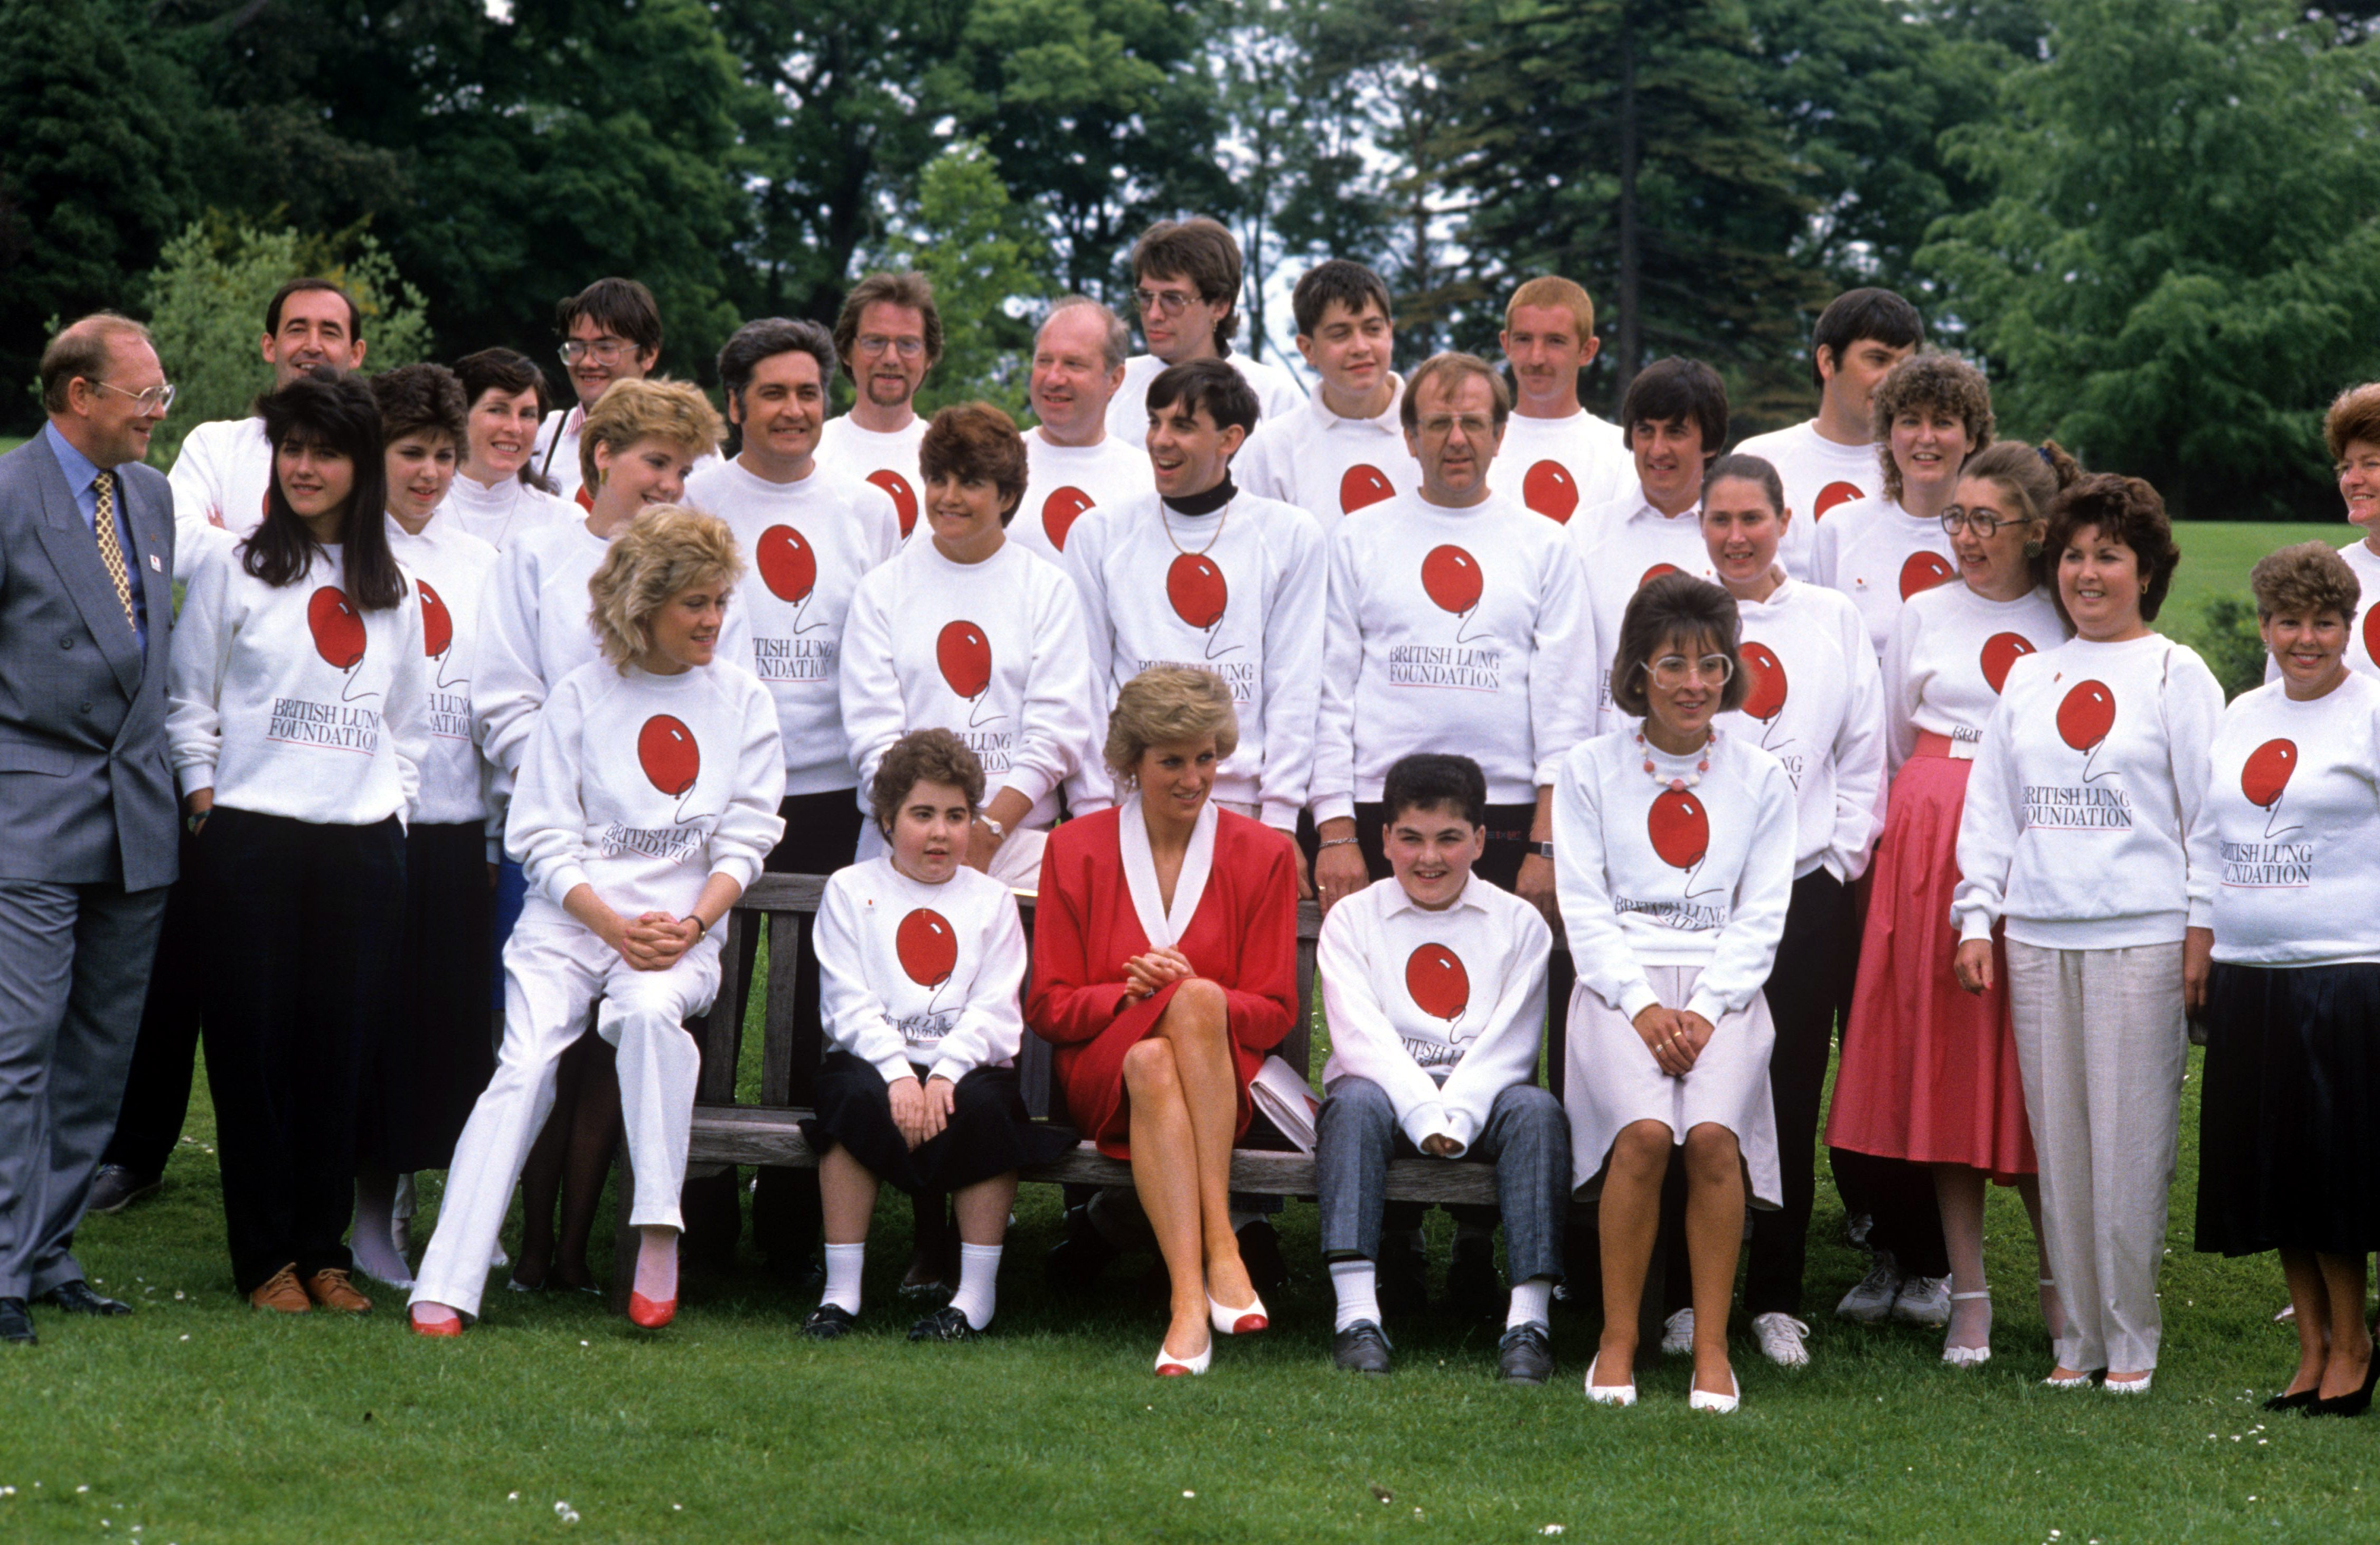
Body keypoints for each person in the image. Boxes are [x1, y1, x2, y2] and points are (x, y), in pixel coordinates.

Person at [410, 506, 784, 1334]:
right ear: (642, 607)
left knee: (650, 1017)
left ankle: (657, 1228)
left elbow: (748, 835)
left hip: (679, 929)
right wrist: (611, 925)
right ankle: (450, 1271)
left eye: (720, 601)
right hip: (570, 924)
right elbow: (538, 834)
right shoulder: (580, 696)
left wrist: (687, 927)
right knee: (527, 1062)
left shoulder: (742, 699)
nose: (713, 620)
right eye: (694, 603)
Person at [1952, 473, 2222, 1394]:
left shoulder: (2175, 673)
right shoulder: (2031, 673)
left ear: (2146, 571)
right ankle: (2076, 1345)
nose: (2087, 572)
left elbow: (2211, 819)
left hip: (2140, 936)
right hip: (2035, 932)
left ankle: (2131, 1343)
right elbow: (1992, 808)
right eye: (2072, 554)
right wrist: (1974, 913)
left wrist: (2200, 929)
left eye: (2108, 554)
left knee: (2130, 1143)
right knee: (2061, 1146)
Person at [169, 368, 429, 1312]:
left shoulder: (394, 588)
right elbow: (189, 701)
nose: (305, 467)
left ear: (360, 465)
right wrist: (205, 801)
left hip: (361, 851)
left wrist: (388, 810)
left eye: (325, 451)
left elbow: (410, 725)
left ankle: (326, 1255)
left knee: (341, 1050)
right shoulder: (235, 569)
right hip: (248, 842)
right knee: (252, 1051)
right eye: (292, 449)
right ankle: (265, 1260)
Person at [476, 377, 738, 1293]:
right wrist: (571, 779)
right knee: (543, 1042)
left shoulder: (694, 570)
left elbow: (710, 713)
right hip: (559, 843)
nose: (670, 482)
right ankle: (522, 1237)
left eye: (684, 466)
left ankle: (579, 1244)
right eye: (655, 462)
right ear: (601, 456)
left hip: (655, 852)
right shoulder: (537, 552)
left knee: (612, 1050)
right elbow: (503, 692)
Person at [1828, 441, 2075, 1362]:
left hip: (2036, 845)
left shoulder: (2063, 617)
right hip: (1929, 846)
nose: (1968, 538)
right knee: (1944, 1065)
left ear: (2035, 530)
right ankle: (1965, 1292)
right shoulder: (1923, 611)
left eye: (1987, 521)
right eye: (1957, 519)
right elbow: (1896, 739)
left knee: (2031, 1069)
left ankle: (2061, 1285)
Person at [685, 316, 902, 1286]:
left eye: (808, 392)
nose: (793, 410)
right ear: (736, 403)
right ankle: (697, 1199)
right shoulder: (697, 498)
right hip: (716, 789)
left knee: (820, 1008)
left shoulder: (865, 511)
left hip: (829, 791)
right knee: (711, 995)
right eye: (772, 393)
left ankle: (796, 1212)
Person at [1558, 574, 1796, 1414]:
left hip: (1720, 995)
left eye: (1709, 664)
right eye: (1670, 664)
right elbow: (1583, 909)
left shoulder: (1762, 776)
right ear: (1636, 672)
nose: (1692, 683)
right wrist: (1641, 1004)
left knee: (1707, 1140)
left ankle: (1710, 1345)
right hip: (1617, 991)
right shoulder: (1586, 768)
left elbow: (1760, 915)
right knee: (1646, 1134)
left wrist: (1702, 1007)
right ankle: (1616, 1336)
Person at [1027, 666, 1299, 1375]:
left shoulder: (1265, 853)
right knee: (1166, 1026)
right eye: (1171, 761)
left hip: (1216, 1078)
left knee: (1188, 1017)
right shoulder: (1072, 848)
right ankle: (1222, 1243)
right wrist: (1125, 999)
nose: (1192, 777)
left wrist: (1184, 995)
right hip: (1098, 1073)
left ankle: (1186, 1300)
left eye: (1205, 757)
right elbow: (1049, 1006)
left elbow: (1272, 1013)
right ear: (1130, 763)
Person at [0, 315, 178, 1344]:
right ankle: (3, 1263)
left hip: (137, 819)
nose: (160, 412)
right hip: (28, 809)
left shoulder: (148, 496)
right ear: (79, 396)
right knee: (19, 1048)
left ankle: (52, 1247)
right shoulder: (10, 495)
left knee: (99, 1056)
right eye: (144, 396)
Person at [1691, 453, 1884, 1370]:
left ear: (1783, 521)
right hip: (1695, 895)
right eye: (1719, 520)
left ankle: (1773, 1297)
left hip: (1802, 893)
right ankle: (1688, 1300)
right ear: (1701, 526)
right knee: (1692, 1091)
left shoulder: (1831, 619)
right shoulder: (1682, 614)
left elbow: (1861, 751)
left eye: (1751, 519)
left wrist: (1836, 863)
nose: (1735, 537)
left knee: (1787, 1091)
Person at [801, 729, 1076, 1342]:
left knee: (988, 1105)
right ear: (888, 817)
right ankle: (841, 1293)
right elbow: (847, 1002)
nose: (940, 832)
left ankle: (973, 1298)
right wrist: (899, 1073)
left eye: (956, 816)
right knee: (848, 1096)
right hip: (878, 1064)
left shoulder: (990, 899)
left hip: (964, 1068)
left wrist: (945, 1072)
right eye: (922, 815)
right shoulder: (851, 889)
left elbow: (995, 1007)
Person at [2193, 541, 2380, 1417]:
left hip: (2344, 975)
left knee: (2330, 1179)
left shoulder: (2371, 711)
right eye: (2287, 621)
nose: (2304, 639)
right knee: (2270, 1176)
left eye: (2323, 622)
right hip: (2247, 972)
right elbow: (2206, 836)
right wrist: (2200, 940)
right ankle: (2308, 1347)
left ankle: (2354, 1344)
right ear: (2264, 626)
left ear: (2348, 628)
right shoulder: (2239, 714)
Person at [1315, 753, 1569, 1383]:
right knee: (1351, 1101)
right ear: (1385, 839)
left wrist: (1454, 1111)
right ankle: (1356, 1313)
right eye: (1411, 838)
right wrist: (1423, 1111)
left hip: (1481, 1100)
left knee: (1537, 1110)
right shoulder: (1352, 919)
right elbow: (1361, 1039)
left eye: (1449, 839)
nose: (1429, 858)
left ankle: (1528, 1322)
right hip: (1385, 1097)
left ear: (1480, 840)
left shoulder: (1519, 924)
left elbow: (1511, 1046)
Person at [1312, 353, 1591, 922]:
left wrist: (1546, 842)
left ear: (1499, 435)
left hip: (1506, 809)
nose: (1456, 439)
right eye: (1438, 424)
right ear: (1410, 438)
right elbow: (1327, 693)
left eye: (1472, 423)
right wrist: (1336, 828)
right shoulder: (1357, 539)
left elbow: (1567, 705)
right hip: (1379, 807)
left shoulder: (1545, 545)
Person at [346, 364, 500, 1290]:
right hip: (364, 824)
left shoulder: (481, 562)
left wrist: (490, 838)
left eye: (446, 453)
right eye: (412, 452)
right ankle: (361, 1213)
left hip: (453, 826)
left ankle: (415, 1208)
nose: (432, 472)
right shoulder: (344, 550)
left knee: (440, 1034)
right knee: (366, 1023)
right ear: (378, 452)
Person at [1064, 359, 1324, 846]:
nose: (1160, 440)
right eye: (1155, 422)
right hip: (1128, 802)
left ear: (1229, 439)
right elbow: (1085, 682)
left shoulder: (1290, 535)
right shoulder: (1100, 533)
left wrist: (1281, 820)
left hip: (1241, 805)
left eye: (1182, 426)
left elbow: (1294, 686)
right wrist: (1092, 808)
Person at [840, 403, 1097, 891]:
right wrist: (925, 831)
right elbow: (873, 734)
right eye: (938, 479)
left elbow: (1056, 731)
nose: (949, 497)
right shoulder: (882, 589)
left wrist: (986, 832)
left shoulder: (1046, 588)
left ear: (1007, 496)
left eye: (971, 483)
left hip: (1016, 844)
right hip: (901, 842)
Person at [166, 278, 367, 581]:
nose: (313, 346)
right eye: (297, 330)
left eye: (329, 332)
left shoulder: (374, 452)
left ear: (355, 353)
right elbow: (176, 546)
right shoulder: (215, 445)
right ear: (270, 347)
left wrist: (229, 548)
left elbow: (391, 556)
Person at [1574, 359, 1726, 730]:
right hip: (1603, 770)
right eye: (1645, 431)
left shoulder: (1736, 544)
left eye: (1675, 432)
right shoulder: (1583, 535)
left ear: (1709, 442)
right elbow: (1563, 672)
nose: (1657, 450)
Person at [1732, 289, 1923, 581]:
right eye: (1877, 359)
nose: (1893, 379)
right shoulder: (1760, 460)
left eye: (1905, 365)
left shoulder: (1926, 468)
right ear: (1827, 361)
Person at [1810, 354, 1993, 657]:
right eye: (1910, 421)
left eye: (1943, 422)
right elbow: (1823, 651)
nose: (1926, 438)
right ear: (1888, 434)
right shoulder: (1839, 529)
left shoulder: (1994, 535)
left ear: (1971, 438)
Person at [1237, 260, 1417, 522]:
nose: (1360, 347)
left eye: (1373, 330)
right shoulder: (1272, 449)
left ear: (1389, 334)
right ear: (1308, 349)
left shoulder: (1436, 430)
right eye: (1340, 334)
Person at [1102, 218, 1303, 445]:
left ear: (1219, 306)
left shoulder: (1274, 395)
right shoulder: (1114, 384)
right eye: (1146, 298)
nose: (1154, 315)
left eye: (1173, 299)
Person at [1008, 297, 1151, 563]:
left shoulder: (1148, 481)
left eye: (1073, 364)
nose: (1053, 378)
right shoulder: (995, 464)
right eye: (1044, 361)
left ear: (1115, 380)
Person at [1493, 277, 1635, 526]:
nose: (1537, 358)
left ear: (1587, 351)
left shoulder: (1623, 454)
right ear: (1506, 344)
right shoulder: (1476, 447)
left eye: (1555, 341)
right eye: (1524, 339)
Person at [2262, 382, 2380, 683]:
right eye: (2345, 467)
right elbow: (2282, 700)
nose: (2352, 480)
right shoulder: (2324, 579)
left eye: (2370, 464)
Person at [815, 272, 941, 540]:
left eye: (908, 344)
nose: (891, 358)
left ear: (928, 356)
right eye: (875, 342)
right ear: (847, 352)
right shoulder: (814, 451)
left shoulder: (951, 456)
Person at [530, 278, 664, 508]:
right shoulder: (542, 433)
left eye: (606, 348)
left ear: (649, 354)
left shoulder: (689, 443)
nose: (588, 362)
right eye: (577, 347)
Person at [443, 347, 573, 549]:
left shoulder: (566, 523)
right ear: (460, 416)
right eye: (497, 410)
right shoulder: (418, 516)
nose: (514, 428)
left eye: (527, 414)